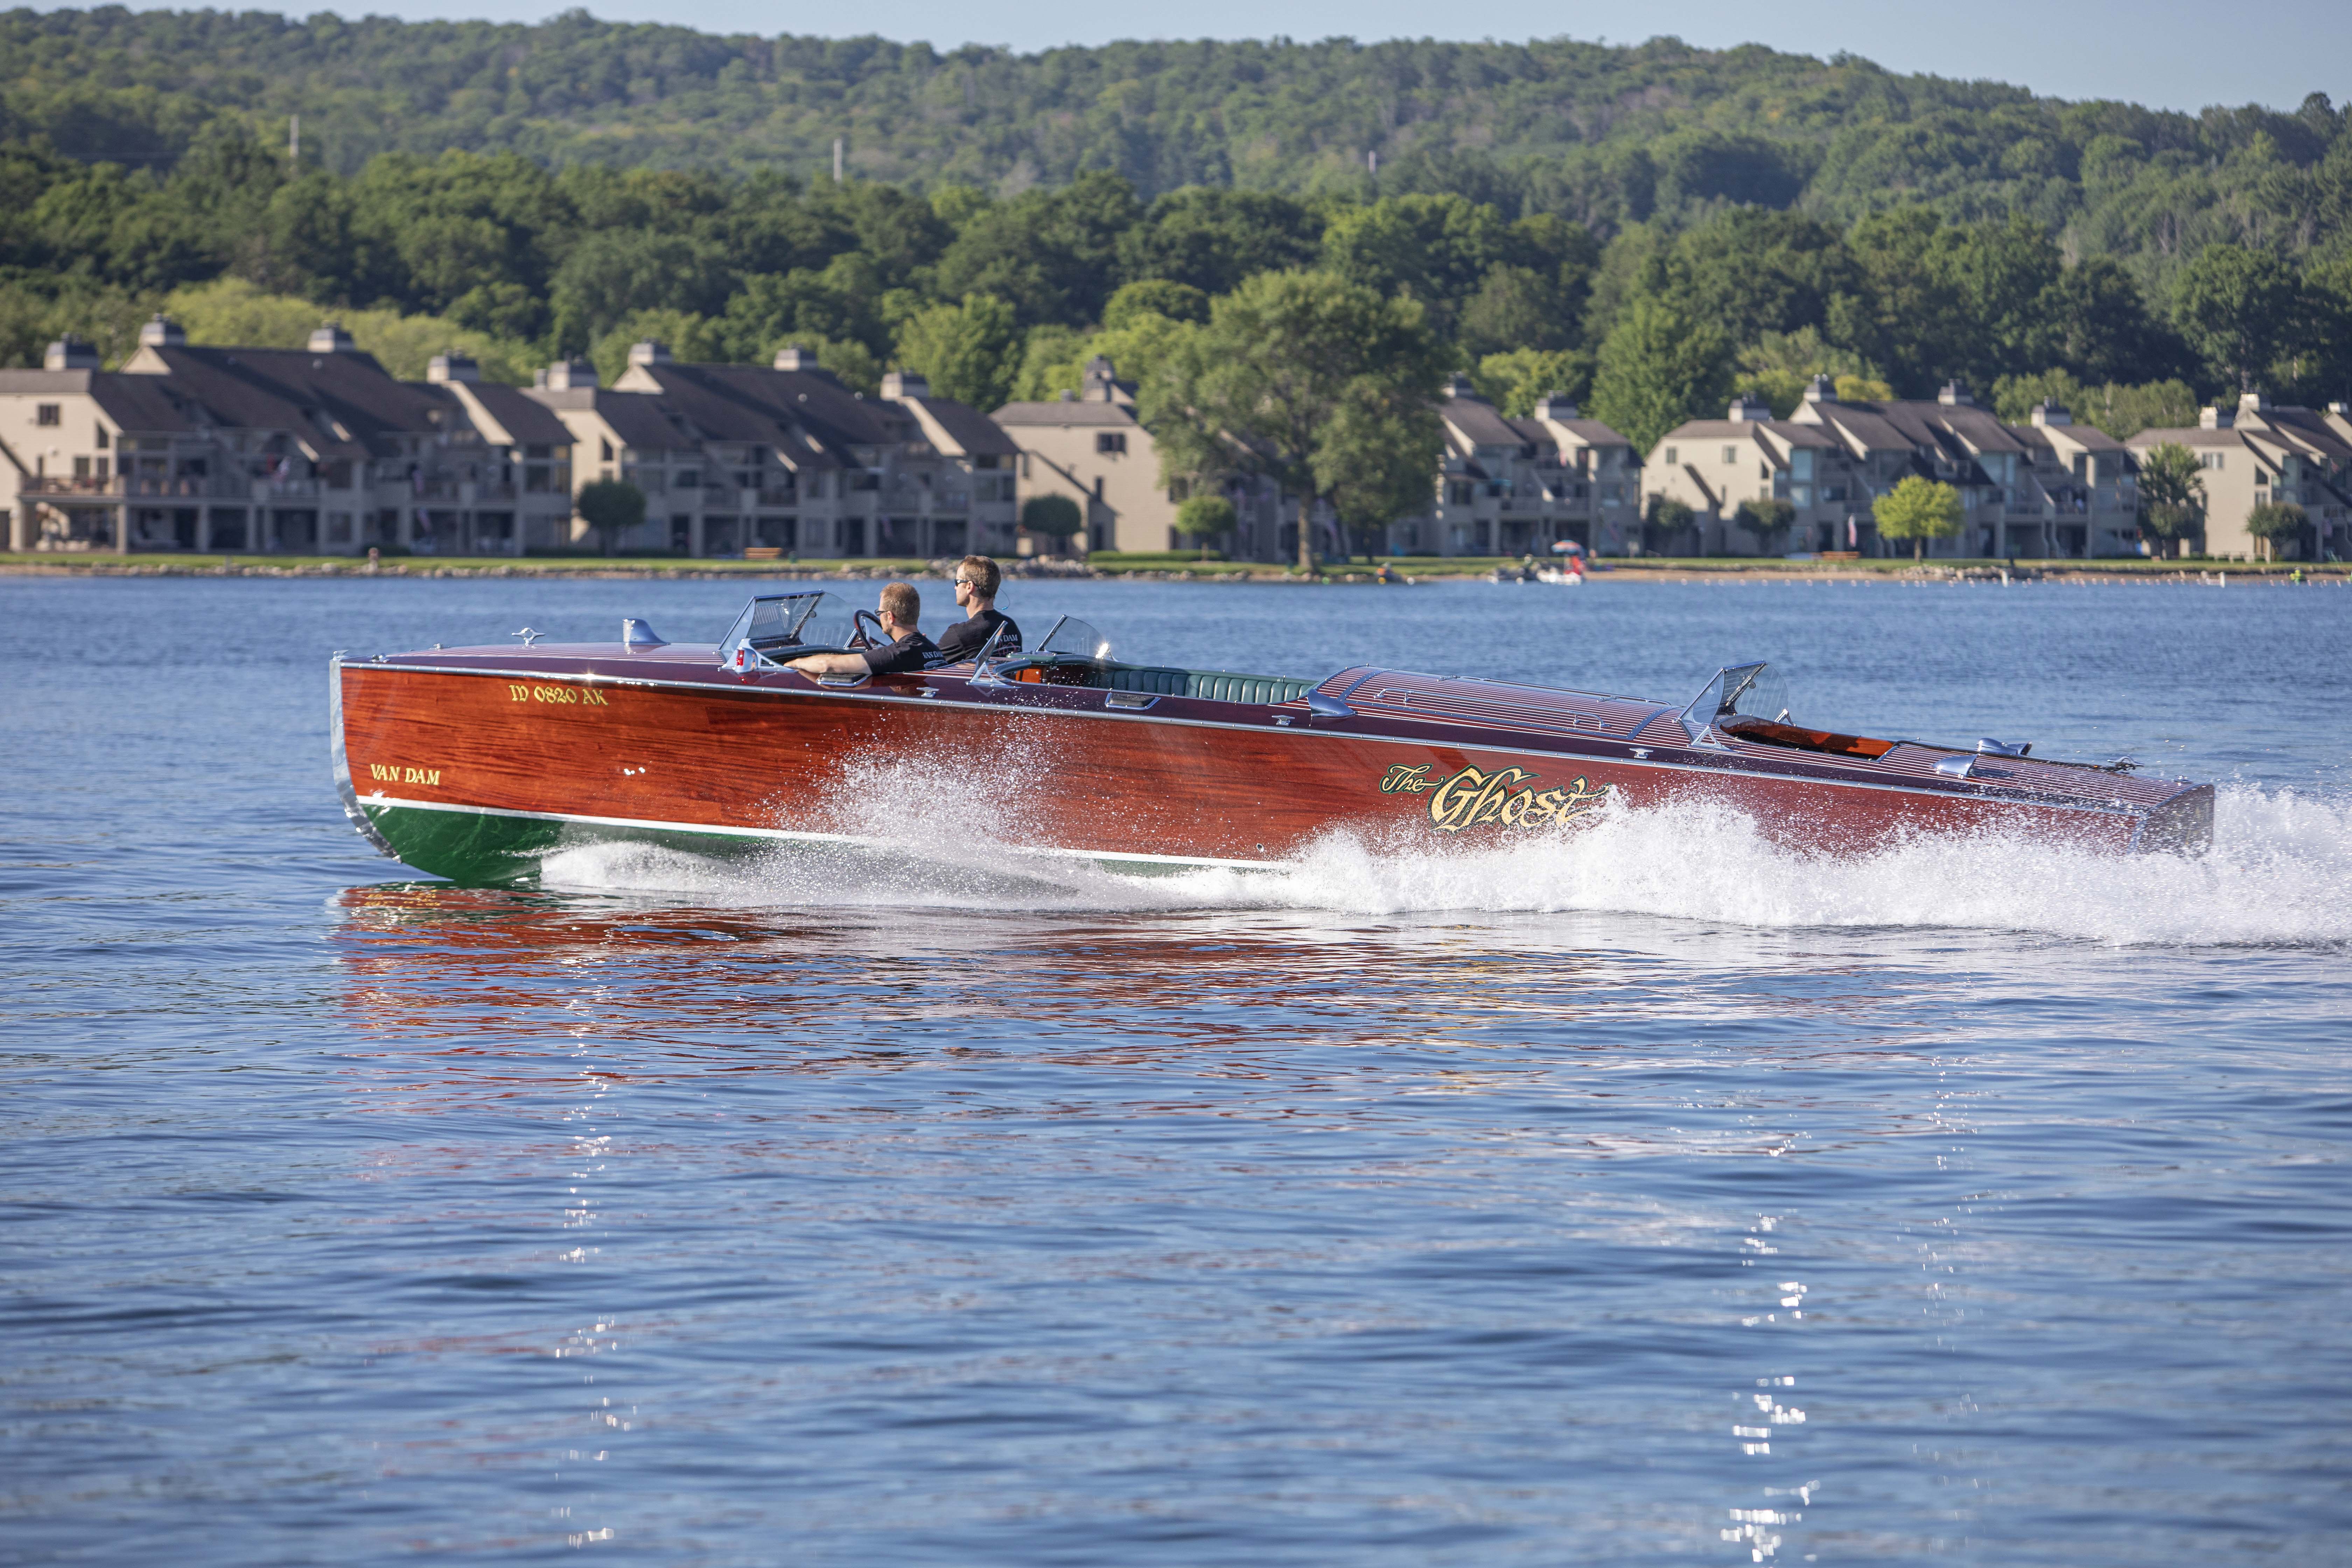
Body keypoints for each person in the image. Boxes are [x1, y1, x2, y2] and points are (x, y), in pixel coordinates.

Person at [783, 582, 936, 678]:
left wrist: (796, 663)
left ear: (890, 617)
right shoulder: (931, 647)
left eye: (879, 613)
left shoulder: (899, 654)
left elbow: (828, 665)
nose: (879, 617)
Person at [932, 554, 1022, 662]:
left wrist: (920, 644)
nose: (955, 587)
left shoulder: (961, 634)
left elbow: (928, 664)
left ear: (969, 586)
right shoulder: (1010, 625)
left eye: (958, 582)